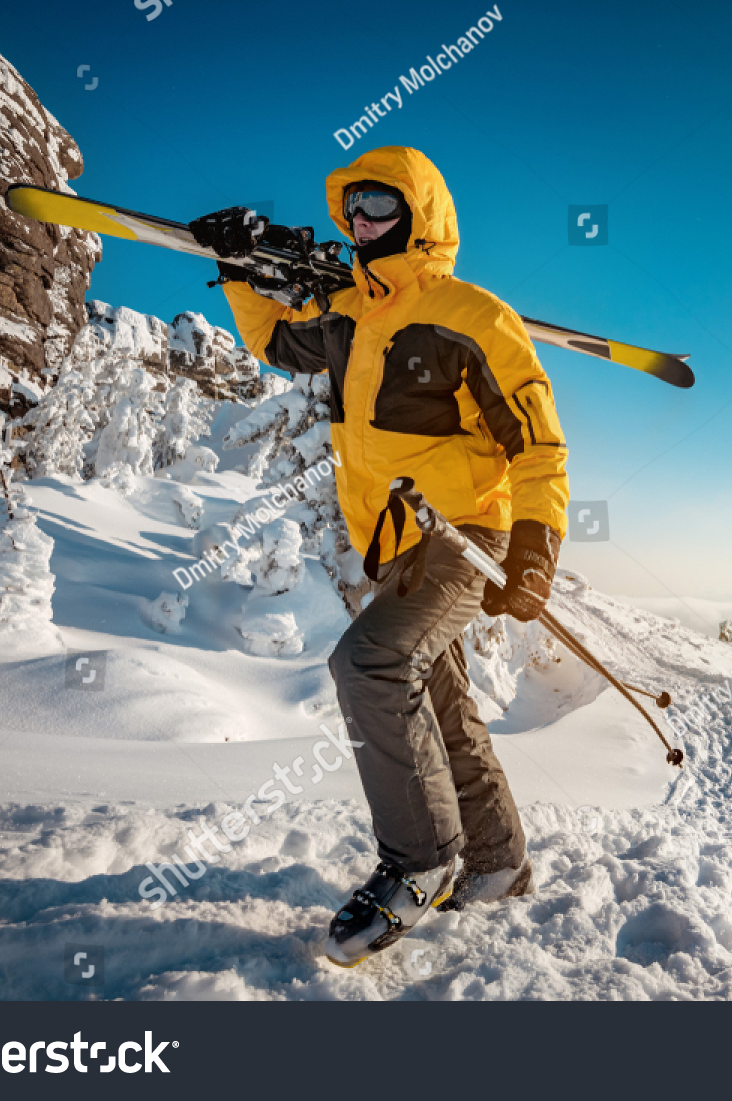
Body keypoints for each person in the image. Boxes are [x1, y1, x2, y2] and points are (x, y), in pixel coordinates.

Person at [190, 147, 569, 967]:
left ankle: (421, 861)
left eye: (380, 206)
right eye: (352, 207)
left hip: (467, 534)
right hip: (397, 543)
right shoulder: (346, 317)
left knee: (369, 664)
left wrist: (538, 543)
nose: (362, 222)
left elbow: (538, 442)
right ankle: (497, 861)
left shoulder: (474, 317)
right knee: (437, 695)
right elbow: (274, 345)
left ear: (419, 215)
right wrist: (238, 272)